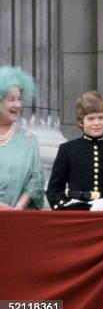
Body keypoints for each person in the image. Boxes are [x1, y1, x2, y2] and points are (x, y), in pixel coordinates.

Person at [46, 91, 103, 211]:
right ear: (81, 121)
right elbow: (54, 188)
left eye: (101, 118)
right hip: (75, 212)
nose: (96, 123)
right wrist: (65, 205)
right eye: (91, 118)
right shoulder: (67, 149)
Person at [0, 66, 45, 210]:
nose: (17, 105)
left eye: (19, 99)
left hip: (17, 219)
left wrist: (17, 208)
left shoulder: (29, 140)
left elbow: (36, 179)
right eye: (11, 99)